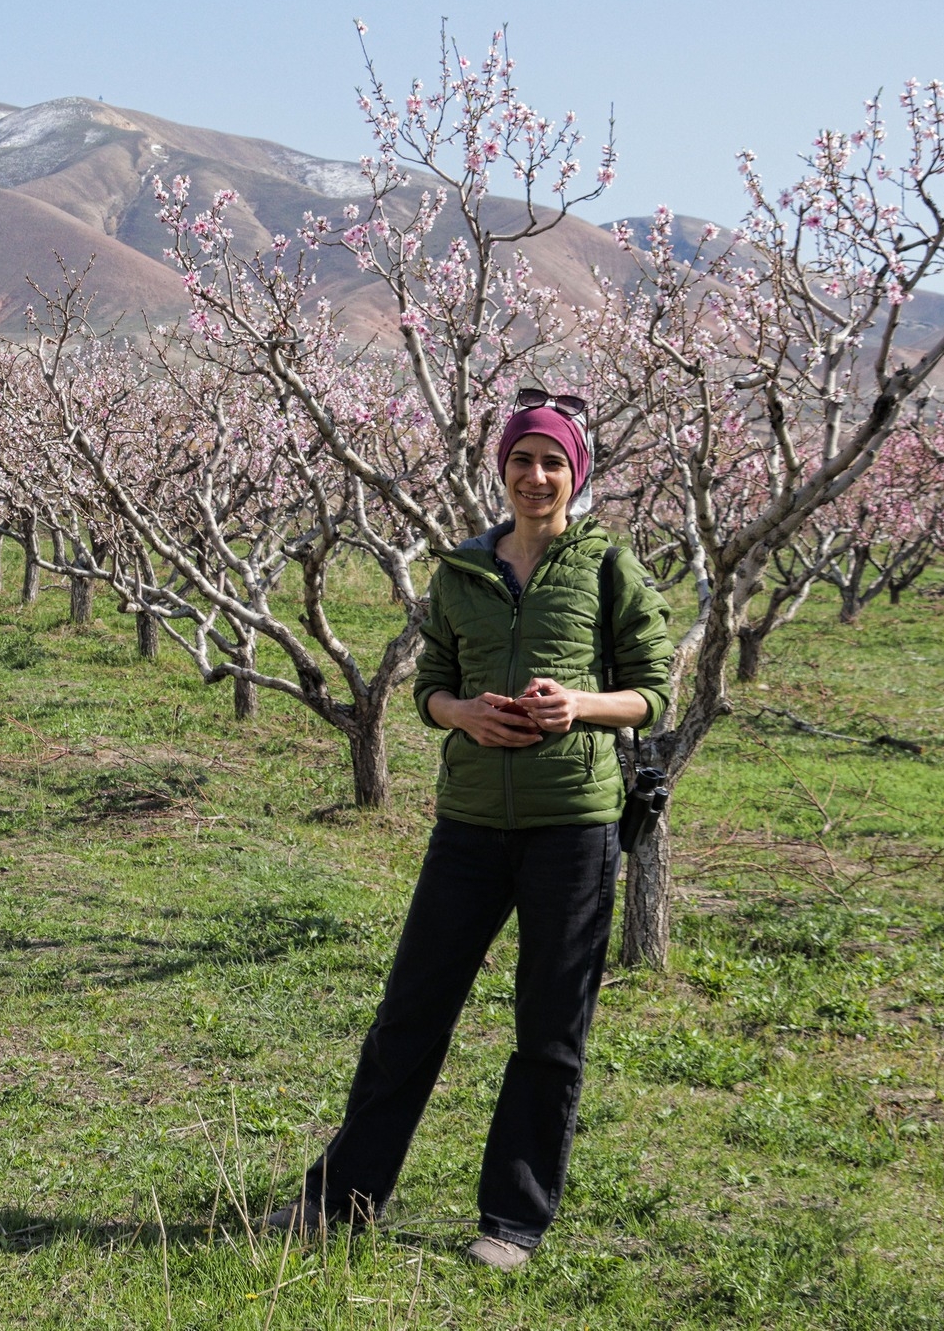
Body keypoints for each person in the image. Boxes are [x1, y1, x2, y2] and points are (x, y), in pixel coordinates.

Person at [263, 391, 674, 1270]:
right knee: (412, 1011)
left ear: (577, 474)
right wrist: (463, 715)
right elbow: (428, 687)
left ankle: (513, 1221)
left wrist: (582, 707)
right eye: (523, 459)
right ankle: (343, 1198)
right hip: (469, 826)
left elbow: (655, 688)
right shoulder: (461, 573)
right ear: (502, 468)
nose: (537, 476)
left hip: (574, 828)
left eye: (553, 462)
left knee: (550, 1029)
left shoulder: (608, 568)